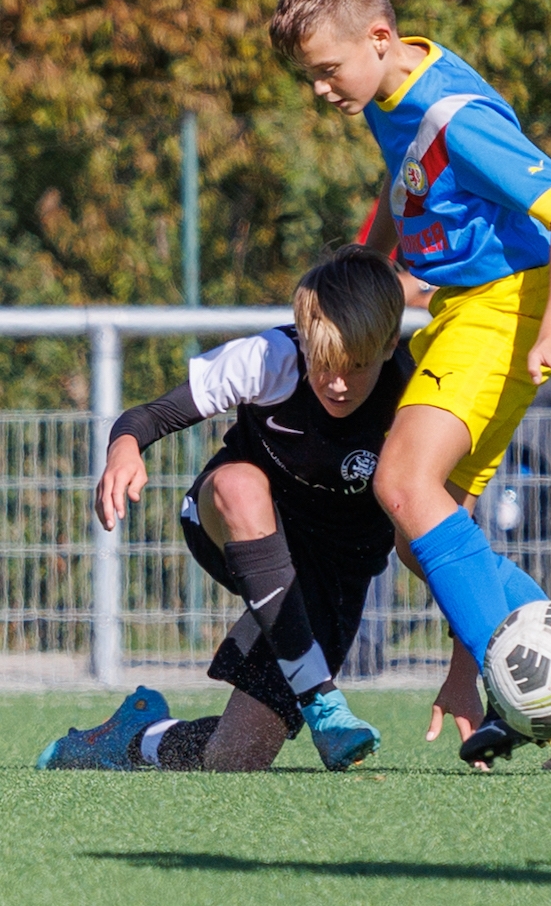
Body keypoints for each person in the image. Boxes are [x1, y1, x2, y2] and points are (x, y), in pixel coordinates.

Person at [269, 0, 551, 769]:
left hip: (503, 310)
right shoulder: (390, 92)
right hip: (465, 312)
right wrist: (369, 262)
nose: (319, 89)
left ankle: (522, 685)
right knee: (421, 532)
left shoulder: (454, 115)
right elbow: (405, 181)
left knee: (399, 483)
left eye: (327, 71)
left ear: (378, 38)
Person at [37, 246, 432, 773]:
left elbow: (440, 531)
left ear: (387, 345)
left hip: (332, 577)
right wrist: (124, 449)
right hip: (232, 521)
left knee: (235, 757)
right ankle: (321, 698)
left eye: (356, 367)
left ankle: (135, 736)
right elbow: (150, 416)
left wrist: (463, 670)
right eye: (324, 365)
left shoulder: (418, 394)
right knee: (241, 484)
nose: (337, 384)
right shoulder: (269, 358)